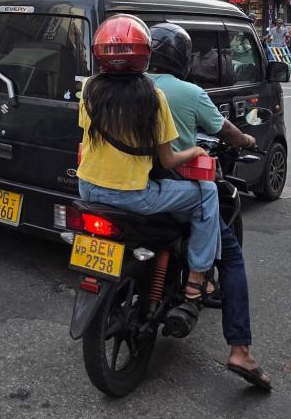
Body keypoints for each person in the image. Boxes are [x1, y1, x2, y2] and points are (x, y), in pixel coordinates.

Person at [147, 23, 270, 391]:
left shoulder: (127, 86)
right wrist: (247, 137)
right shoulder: (188, 92)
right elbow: (226, 131)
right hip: (178, 187)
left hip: (130, 186)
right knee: (230, 256)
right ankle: (239, 349)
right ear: (182, 59)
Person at [76, 15, 215, 301]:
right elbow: (168, 161)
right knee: (208, 194)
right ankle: (197, 276)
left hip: (86, 188)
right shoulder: (154, 97)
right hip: (131, 196)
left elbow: (86, 138)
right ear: (145, 54)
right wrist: (196, 151)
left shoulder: (89, 88)